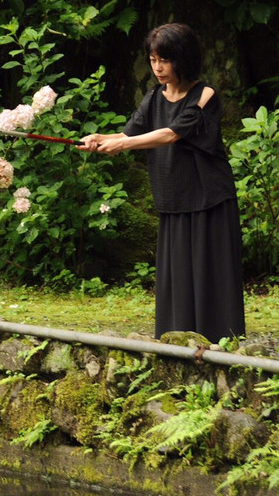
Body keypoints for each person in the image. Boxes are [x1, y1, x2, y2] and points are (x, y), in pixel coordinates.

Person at [79, 22, 245, 343]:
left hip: (209, 197)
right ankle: (177, 338)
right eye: (153, 60)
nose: (157, 68)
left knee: (211, 270)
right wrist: (99, 138)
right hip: (173, 196)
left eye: (164, 60)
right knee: (177, 274)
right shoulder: (154, 97)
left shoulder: (205, 95)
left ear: (184, 59)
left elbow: (171, 134)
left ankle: (221, 339)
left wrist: (123, 145)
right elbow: (128, 133)